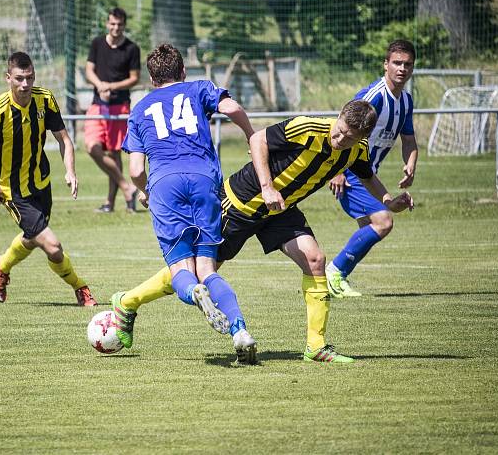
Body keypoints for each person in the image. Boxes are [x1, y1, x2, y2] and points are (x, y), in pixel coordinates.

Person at [112, 101, 414, 364]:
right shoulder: (307, 128)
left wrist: (389, 201)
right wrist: (267, 187)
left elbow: (368, 177)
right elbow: (257, 140)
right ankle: (127, 302)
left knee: (315, 259)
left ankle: (316, 346)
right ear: (338, 117)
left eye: (349, 137)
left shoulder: (356, 151)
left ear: (363, 137)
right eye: (340, 130)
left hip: (281, 210)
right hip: (243, 201)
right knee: (199, 270)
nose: (340, 139)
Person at [112, 43, 258, 364]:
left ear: (152, 79)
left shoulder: (139, 110)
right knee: (207, 267)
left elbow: (136, 169)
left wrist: (144, 190)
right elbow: (231, 109)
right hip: (205, 179)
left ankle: (193, 294)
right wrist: (251, 135)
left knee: (182, 270)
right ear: (182, 71)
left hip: (164, 183)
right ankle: (239, 329)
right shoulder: (199, 88)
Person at [0, 51, 98, 307]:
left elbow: (64, 140)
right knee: (52, 245)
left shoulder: (45, 100)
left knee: (32, 237)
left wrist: (69, 171)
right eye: (19, 79)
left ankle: (1, 265)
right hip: (12, 191)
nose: (25, 85)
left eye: (29, 78)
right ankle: (81, 287)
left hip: (41, 183)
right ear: (8, 78)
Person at [326, 39, 419, 298]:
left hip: (368, 176)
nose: (402, 68)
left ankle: (334, 279)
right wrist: (337, 170)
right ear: (386, 64)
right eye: (397, 63)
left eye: (407, 64)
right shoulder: (374, 96)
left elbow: (409, 140)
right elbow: (341, 127)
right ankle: (334, 273)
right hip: (351, 174)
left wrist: (410, 164)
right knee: (383, 221)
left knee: (370, 227)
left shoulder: (406, 102)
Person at [84, 7, 141, 213]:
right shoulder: (97, 43)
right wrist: (100, 85)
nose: (116, 27)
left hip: (119, 107)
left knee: (115, 154)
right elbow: (89, 69)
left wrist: (111, 87)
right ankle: (127, 187)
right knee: (92, 147)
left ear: (124, 25)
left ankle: (110, 203)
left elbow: (134, 78)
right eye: (112, 24)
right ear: (107, 24)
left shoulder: (132, 48)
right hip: (98, 105)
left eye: (119, 24)